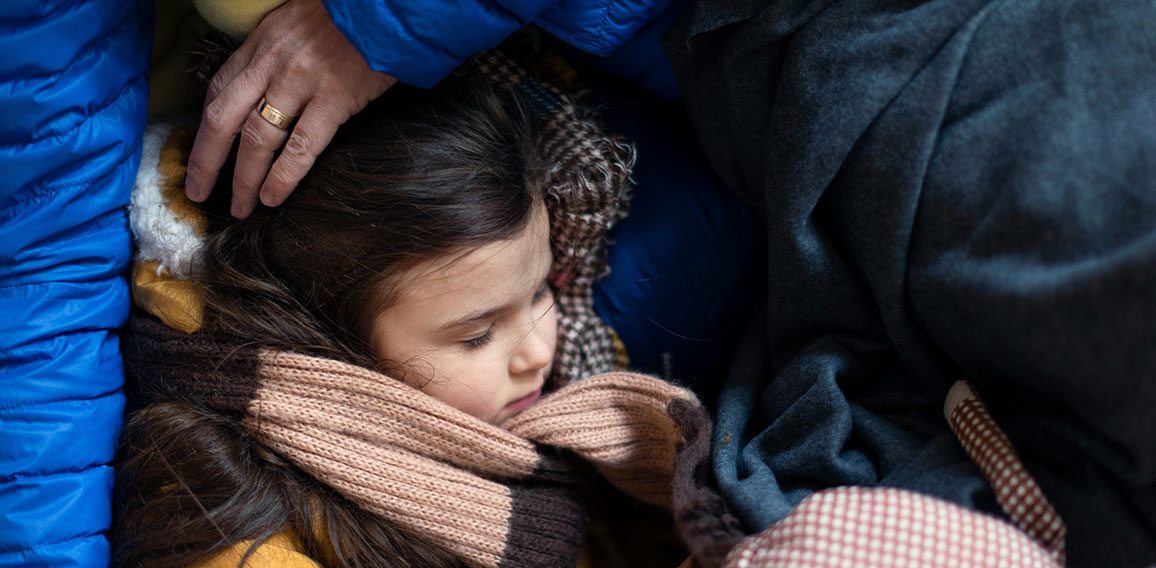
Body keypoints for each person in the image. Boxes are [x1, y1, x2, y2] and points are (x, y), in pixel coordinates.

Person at [115, 55, 708, 568]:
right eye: (477, 336)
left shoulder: (555, 431)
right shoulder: (232, 526)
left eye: (540, 291)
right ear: (329, 341)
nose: (538, 353)